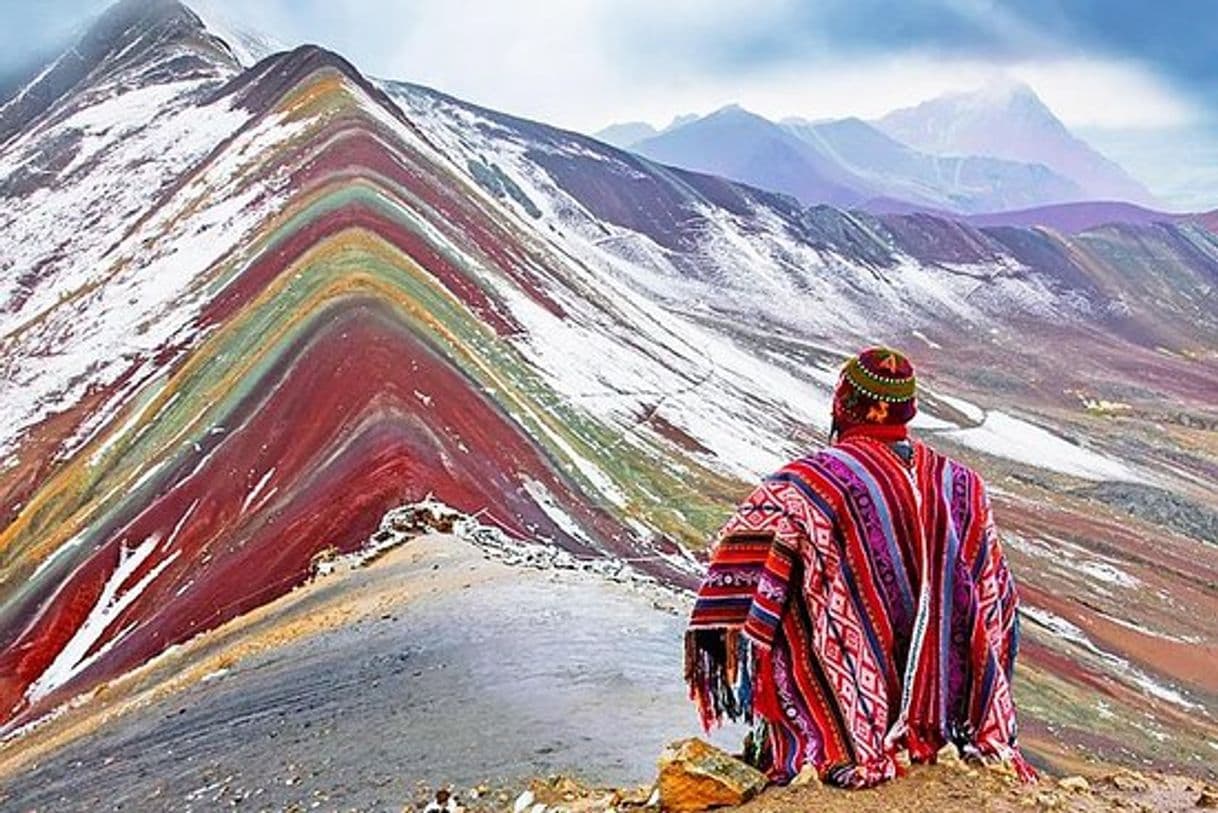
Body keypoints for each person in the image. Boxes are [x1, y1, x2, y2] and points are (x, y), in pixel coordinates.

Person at [685, 347, 1034, 788]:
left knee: (793, 588)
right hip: (947, 705)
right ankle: (932, 725)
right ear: (909, 409)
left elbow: (742, 559)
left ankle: (836, 726)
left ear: (843, 404)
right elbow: (993, 594)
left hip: (852, 700)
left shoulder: (810, 483)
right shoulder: (963, 484)